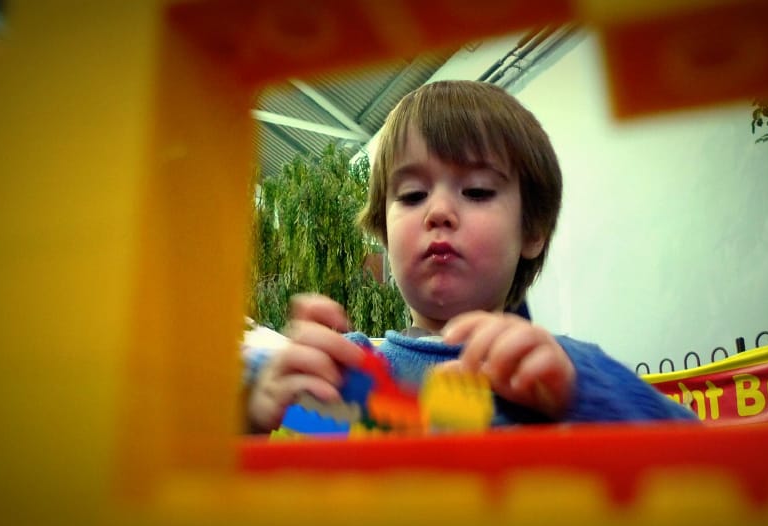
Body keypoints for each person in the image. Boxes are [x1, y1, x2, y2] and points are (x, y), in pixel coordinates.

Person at [247, 80, 697, 432]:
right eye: (413, 194)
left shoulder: (562, 370)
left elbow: (693, 446)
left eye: (478, 191)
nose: (438, 211)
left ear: (532, 231)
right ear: (384, 233)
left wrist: (580, 391)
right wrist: (260, 413)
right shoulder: (348, 372)